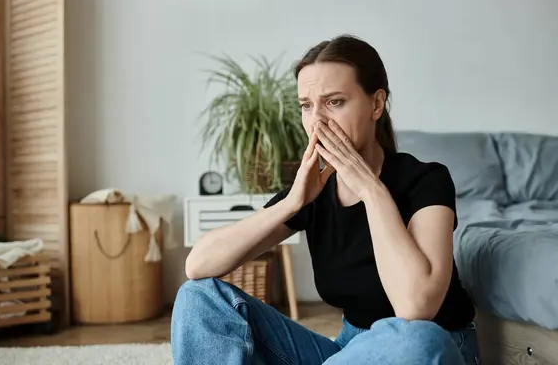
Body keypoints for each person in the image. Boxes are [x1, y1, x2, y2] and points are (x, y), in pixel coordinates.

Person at [171, 35, 481, 364]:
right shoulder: (314, 191)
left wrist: (371, 190)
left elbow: (416, 307)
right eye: (306, 105)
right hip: (349, 351)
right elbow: (198, 265)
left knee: (418, 339)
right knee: (198, 297)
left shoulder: (426, 180)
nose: (317, 121)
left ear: (376, 104)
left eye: (334, 102)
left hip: (425, 346)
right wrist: (292, 202)